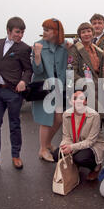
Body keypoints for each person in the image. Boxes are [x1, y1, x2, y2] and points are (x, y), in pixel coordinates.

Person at [0, 17, 33, 173]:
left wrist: (24, 81)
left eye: (22, 32)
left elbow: (28, 70)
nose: (20, 35)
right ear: (8, 30)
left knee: (14, 126)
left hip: (13, 93)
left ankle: (16, 156)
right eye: (17, 32)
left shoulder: (24, 48)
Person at [32, 18, 68, 162]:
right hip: (44, 87)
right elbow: (38, 71)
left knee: (59, 119)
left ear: (56, 32)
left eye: (47, 30)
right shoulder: (38, 45)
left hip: (59, 87)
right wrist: (37, 55)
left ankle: (47, 144)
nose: (44, 33)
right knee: (46, 119)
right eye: (44, 29)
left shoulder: (65, 45)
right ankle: (42, 149)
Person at [52, 90, 104, 181]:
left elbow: (90, 141)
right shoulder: (66, 114)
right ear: (70, 101)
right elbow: (66, 136)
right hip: (75, 143)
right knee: (56, 155)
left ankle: (96, 167)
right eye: (74, 98)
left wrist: (71, 147)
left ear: (86, 101)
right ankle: (73, 165)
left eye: (81, 98)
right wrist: (65, 145)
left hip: (93, 146)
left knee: (80, 158)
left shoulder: (94, 116)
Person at [69, 22, 104, 111]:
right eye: (83, 32)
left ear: (93, 33)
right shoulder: (74, 49)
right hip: (83, 89)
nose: (86, 34)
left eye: (89, 31)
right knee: (86, 120)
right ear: (80, 35)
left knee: (98, 119)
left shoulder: (98, 51)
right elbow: (71, 72)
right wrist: (85, 84)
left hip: (99, 88)